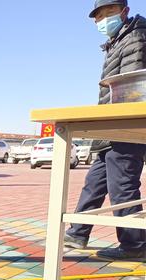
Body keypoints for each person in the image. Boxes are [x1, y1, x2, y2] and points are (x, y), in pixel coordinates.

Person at [64, 0, 146, 260]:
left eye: (108, 13)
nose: (102, 20)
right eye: (98, 16)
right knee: (94, 183)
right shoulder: (117, 41)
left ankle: (135, 246)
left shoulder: (136, 36)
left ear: (124, 11)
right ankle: (77, 233)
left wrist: (113, 120)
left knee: (122, 186)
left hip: (124, 127)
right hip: (108, 129)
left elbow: (131, 86)